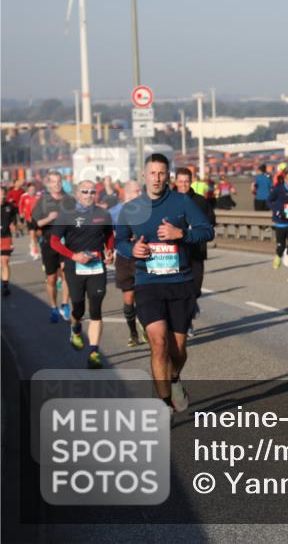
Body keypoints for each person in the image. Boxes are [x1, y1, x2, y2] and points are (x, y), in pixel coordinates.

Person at [115, 153, 214, 412]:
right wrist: (131, 250)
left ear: (167, 176)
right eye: (152, 173)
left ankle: (174, 378)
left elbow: (207, 230)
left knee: (178, 349)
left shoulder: (182, 202)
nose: (157, 178)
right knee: (158, 342)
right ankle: (163, 405)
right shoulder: (132, 208)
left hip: (180, 281)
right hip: (148, 282)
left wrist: (181, 233)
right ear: (144, 175)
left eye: (161, 173)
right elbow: (120, 240)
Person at [49, 180, 114, 368]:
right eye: (84, 191)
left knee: (96, 308)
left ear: (96, 194)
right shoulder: (67, 214)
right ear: (77, 193)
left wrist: (109, 251)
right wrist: (73, 256)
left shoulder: (103, 214)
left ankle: (94, 352)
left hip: (97, 266)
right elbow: (54, 241)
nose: (88, 195)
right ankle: (76, 328)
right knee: (78, 308)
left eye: (92, 192)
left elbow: (109, 235)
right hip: (74, 267)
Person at [174, 168, 216, 333]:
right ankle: (187, 322)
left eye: (186, 181)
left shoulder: (200, 201)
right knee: (180, 289)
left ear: (191, 182)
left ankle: (192, 304)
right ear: (175, 182)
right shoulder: (169, 200)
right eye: (180, 181)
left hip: (196, 252)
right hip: (176, 253)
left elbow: (210, 224)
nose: (183, 185)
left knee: (195, 288)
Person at [32, 171, 75, 322]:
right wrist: (49, 218)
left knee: (67, 274)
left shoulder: (70, 200)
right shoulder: (43, 200)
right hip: (49, 242)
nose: (57, 184)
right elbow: (35, 223)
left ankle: (65, 304)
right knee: (51, 278)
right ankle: (53, 307)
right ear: (48, 183)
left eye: (59, 181)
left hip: (66, 242)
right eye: (54, 182)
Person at [110, 181, 145, 346]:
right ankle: (133, 333)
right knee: (129, 297)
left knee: (145, 297)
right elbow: (108, 234)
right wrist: (107, 249)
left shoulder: (147, 208)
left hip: (143, 257)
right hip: (124, 258)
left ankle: (147, 328)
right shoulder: (115, 212)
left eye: (140, 191)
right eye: (136, 191)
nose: (140, 194)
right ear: (126, 193)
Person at [18, 182, 40, 260]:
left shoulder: (39, 196)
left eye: (33, 189)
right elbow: (20, 206)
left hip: (38, 219)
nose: (32, 191)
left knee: (38, 235)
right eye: (30, 189)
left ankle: (32, 244)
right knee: (32, 234)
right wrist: (21, 214)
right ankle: (35, 252)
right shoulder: (24, 196)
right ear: (28, 190)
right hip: (29, 218)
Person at [1, 187, 15, 296]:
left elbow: (13, 218)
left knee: (5, 261)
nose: (1, 197)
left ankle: (5, 286)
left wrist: (13, 224)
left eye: (3, 195)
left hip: (6, 237)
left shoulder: (9, 206)